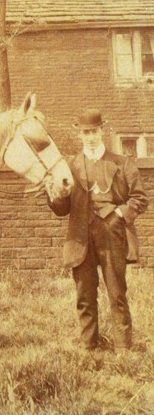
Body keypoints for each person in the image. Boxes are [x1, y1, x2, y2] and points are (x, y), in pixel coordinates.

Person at [47, 109, 148, 350]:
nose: (90, 137)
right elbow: (61, 210)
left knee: (117, 293)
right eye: (86, 132)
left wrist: (118, 216)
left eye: (94, 131)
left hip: (112, 236)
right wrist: (56, 195)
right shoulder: (70, 166)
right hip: (80, 238)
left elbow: (140, 199)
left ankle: (123, 349)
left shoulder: (122, 163)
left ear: (102, 131)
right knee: (84, 295)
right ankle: (88, 347)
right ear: (80, 135)